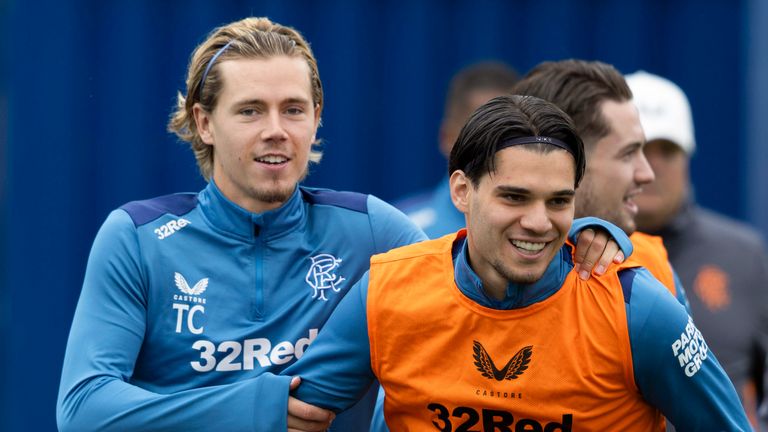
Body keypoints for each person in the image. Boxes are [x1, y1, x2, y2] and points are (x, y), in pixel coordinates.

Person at [55, 17, 622, 432]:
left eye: (294, 109)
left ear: (316, 118)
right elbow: (83, 410)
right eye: (250, 110)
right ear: (204, 122)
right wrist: (255, 408)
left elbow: (483, 283)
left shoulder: (371, 228)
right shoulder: (136, 237)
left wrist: (586, 236)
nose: (276, 130)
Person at [285, 95, 750, 430]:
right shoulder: (388, 289)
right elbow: (293, 412)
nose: (539, 222)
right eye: (514, 197)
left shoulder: (635, 307)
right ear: (462, 190)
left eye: (558, 201)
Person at [626, 70, 768, 428]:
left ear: (688, 156)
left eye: (667, 150)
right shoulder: (571, 254)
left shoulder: (745, 255)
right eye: (636, 149)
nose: (651, 166)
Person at [512, 60, 689, 303]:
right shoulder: (450, 272)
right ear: (567, 162)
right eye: (628, 153)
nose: (647, 174)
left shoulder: (650, 267)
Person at [395, 61, 519, 238]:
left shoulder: (547, 232)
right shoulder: (400, 231)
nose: (497, 149)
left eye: (510, 135)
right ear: (448, 138)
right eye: (481, 135)